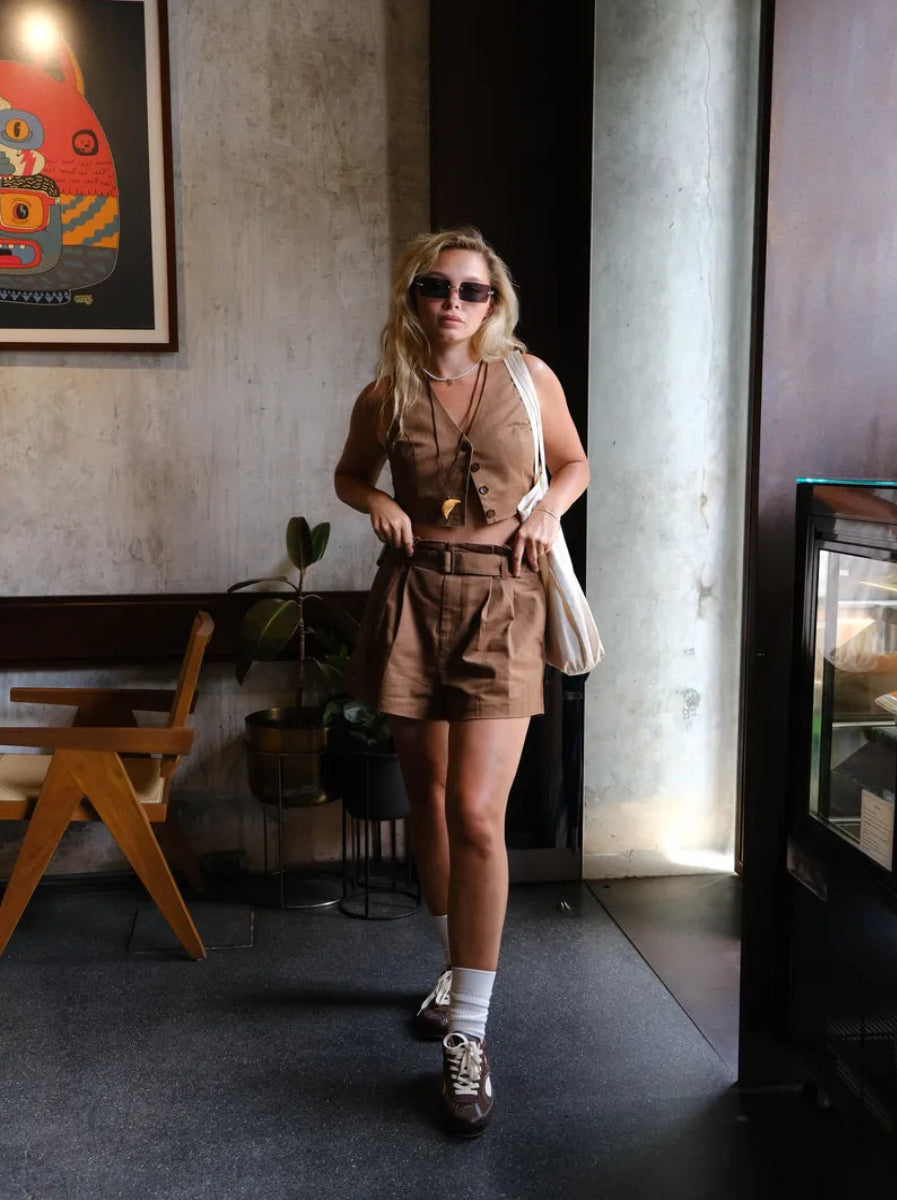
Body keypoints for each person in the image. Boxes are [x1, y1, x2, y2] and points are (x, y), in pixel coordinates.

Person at [333, 227, 589, 1137]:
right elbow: (349, 476)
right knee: (432, 801)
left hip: (504, 601)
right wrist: (379, 500)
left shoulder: (528, 378)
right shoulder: (387, 392)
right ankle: (453, 967)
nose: (454, 303)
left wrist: (550, 511)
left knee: (478, 813)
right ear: (413, 298)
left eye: (472, 290)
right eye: (437, 287)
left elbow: (573, 462)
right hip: (411, 598)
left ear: (494, 301)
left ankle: (469, 1033)